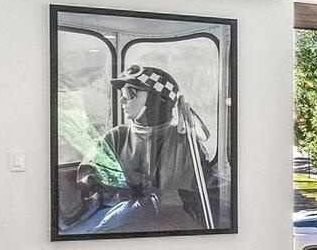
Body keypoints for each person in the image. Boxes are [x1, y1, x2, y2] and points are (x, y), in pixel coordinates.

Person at [70, 64, 216, 233]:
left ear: (156, 100)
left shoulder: (185, 143)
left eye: (130, 94)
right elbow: (91, 178)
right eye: (123, 94)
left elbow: (204, 192)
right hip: (119, 218)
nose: (122, 100)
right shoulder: (116, 137)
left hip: (170, 223)